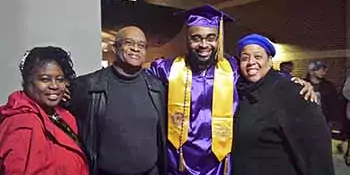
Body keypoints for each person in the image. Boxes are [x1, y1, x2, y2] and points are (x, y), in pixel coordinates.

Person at [147, 5, 315, 175]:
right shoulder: (166, 69)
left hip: (221, 163)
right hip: (178, 161)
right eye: (196, 38)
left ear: (218, 39)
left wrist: (295, 82)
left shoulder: (232, 68)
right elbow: (138, 82)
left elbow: (264, 76)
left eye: (210, 38)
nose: (204, 44)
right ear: (187, 39)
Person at [66, 26, 167, 175]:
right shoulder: (88, 86)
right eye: (129, 43)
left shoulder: (156, 88)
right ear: (115, 47)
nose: (135, 49)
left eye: (141, 45)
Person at [231, 34, 334, 175]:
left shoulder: (293, 93)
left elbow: (316, 152)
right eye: (245, 58)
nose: (251, 62)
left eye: (258, 56)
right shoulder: (236, 92)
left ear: (270, 60)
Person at [0, 46, 89, 175]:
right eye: (45, 79)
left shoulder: (59, 114)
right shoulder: (23, 122)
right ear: (28, 81)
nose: (54, 86)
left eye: (60, 80)